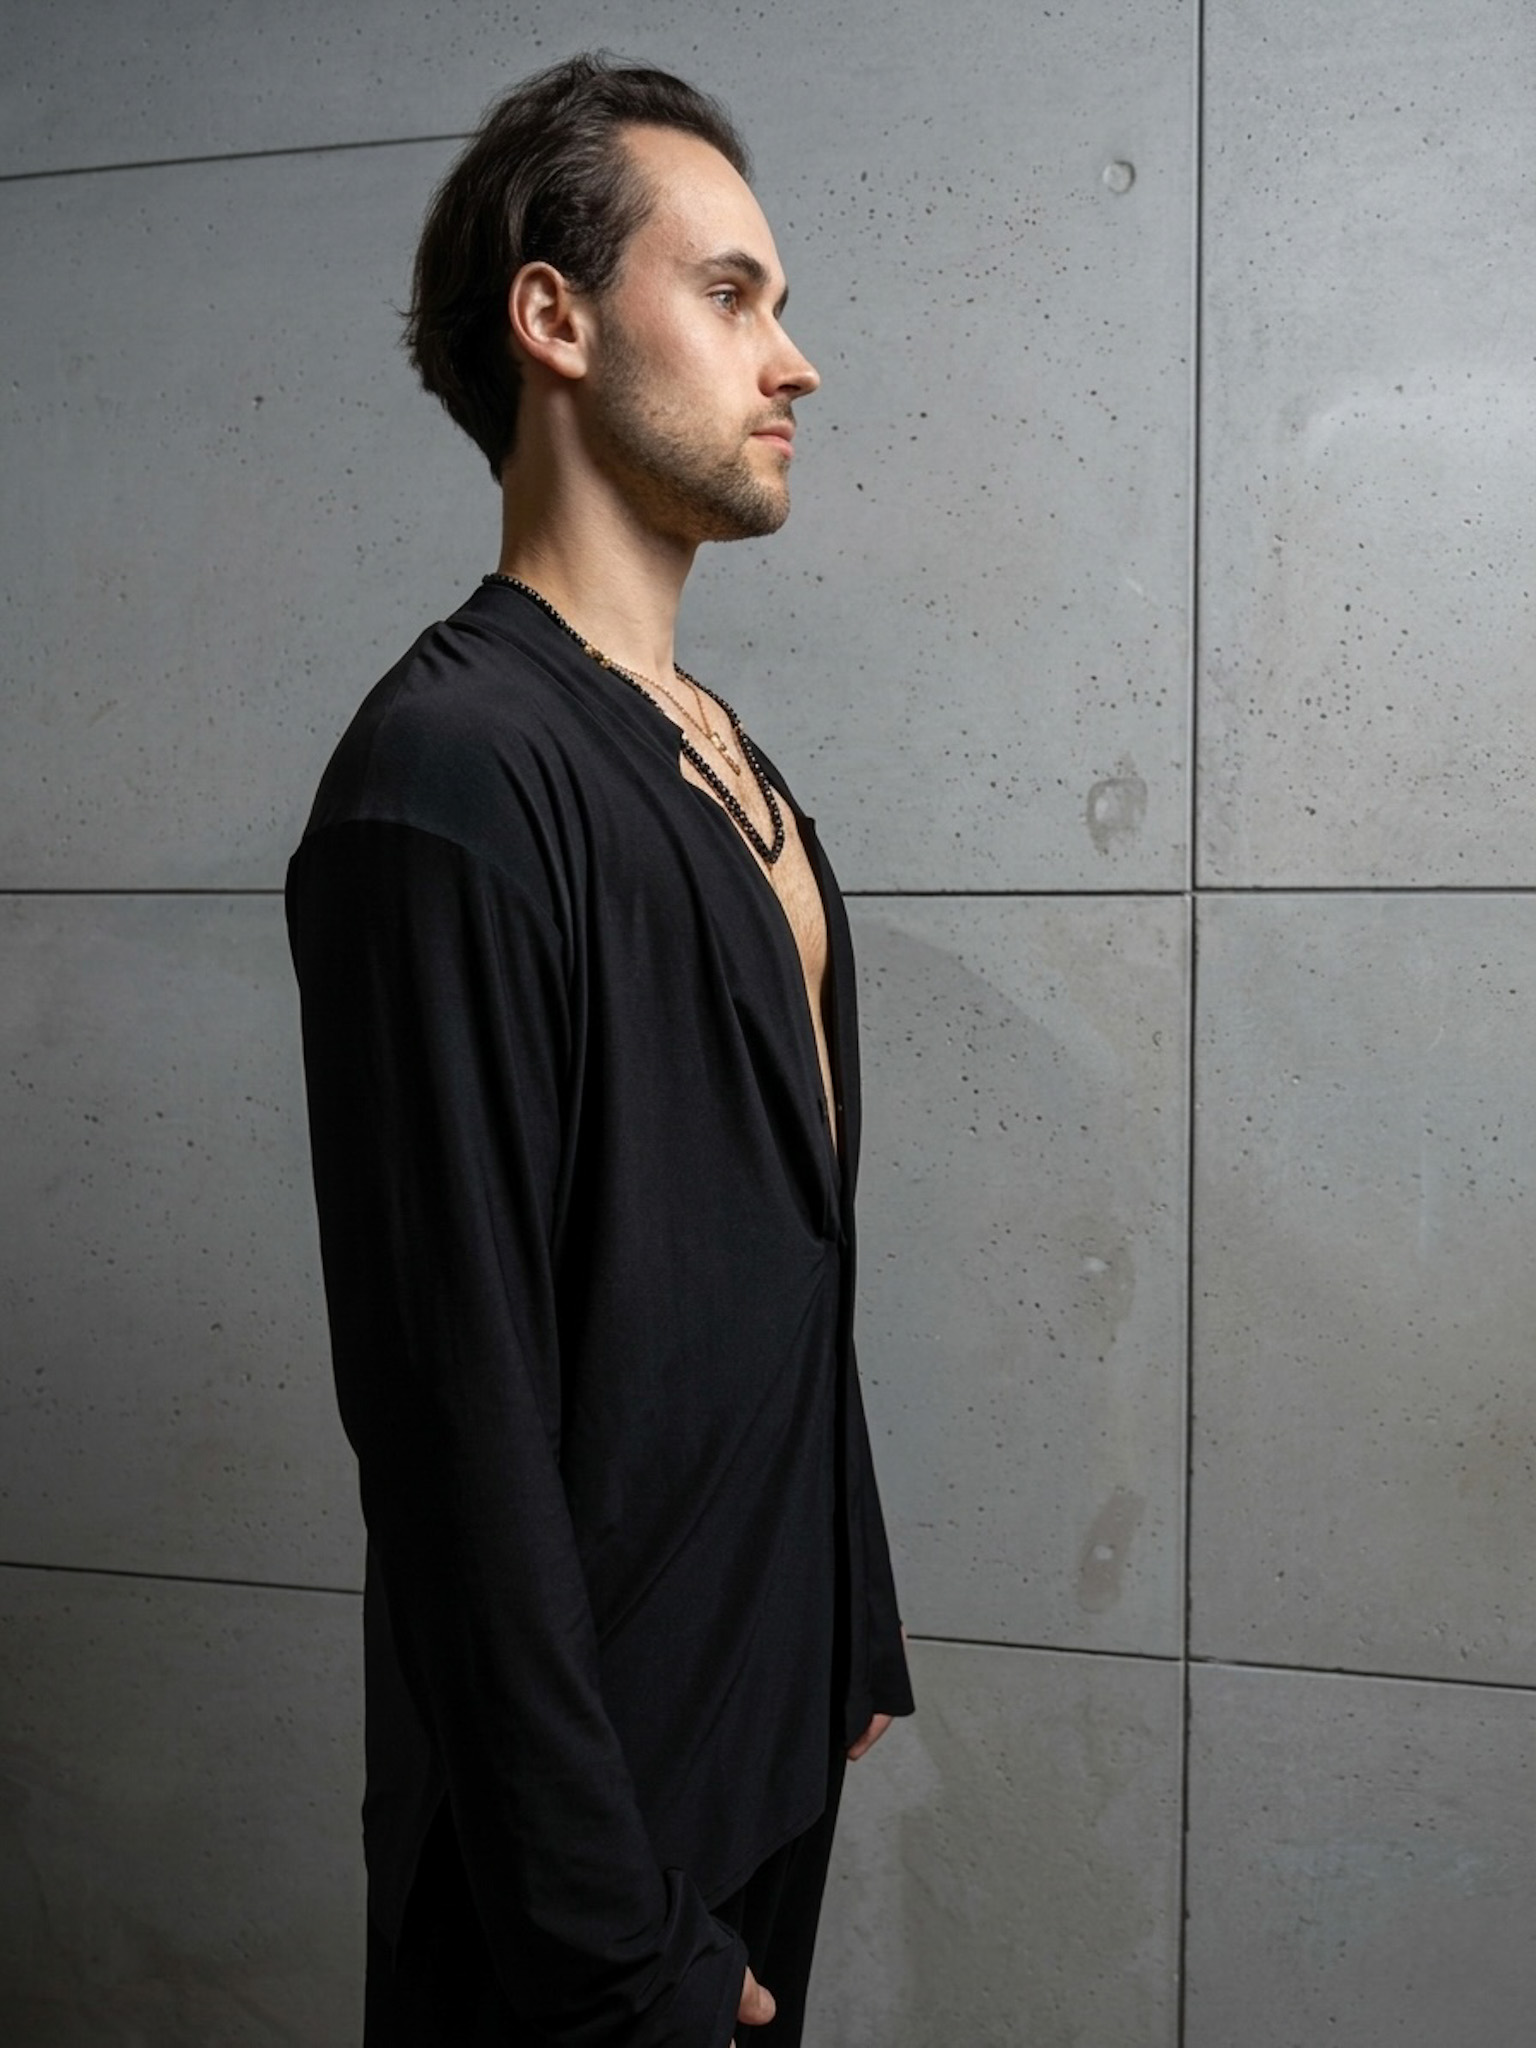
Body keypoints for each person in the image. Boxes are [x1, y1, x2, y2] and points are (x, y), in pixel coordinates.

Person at [286, 52, 913, 2048]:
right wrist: (613, 1946)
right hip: (578, 1874)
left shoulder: (730, 756)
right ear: (553, 318)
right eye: (729, 294)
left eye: (777, 303)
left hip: (756, 1726)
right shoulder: (450, 778)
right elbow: (449, 1430)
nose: (793, 360)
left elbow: (780, 1245)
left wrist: (841, 1608)